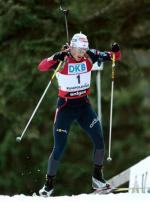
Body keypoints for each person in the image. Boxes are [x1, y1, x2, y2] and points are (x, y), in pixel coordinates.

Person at [38, 33, 121, 197]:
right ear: (72, 46)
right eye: (79, 49)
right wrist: (55, 56)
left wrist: (116, 51)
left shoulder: (90, 55)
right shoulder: (63, 59)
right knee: (59, 147)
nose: (81, 53)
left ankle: (97, 178)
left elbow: (114, 58)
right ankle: (48, 185)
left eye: (84, 49)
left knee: (99, 139)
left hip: (83, 106)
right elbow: (41, 66)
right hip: (65, 107)